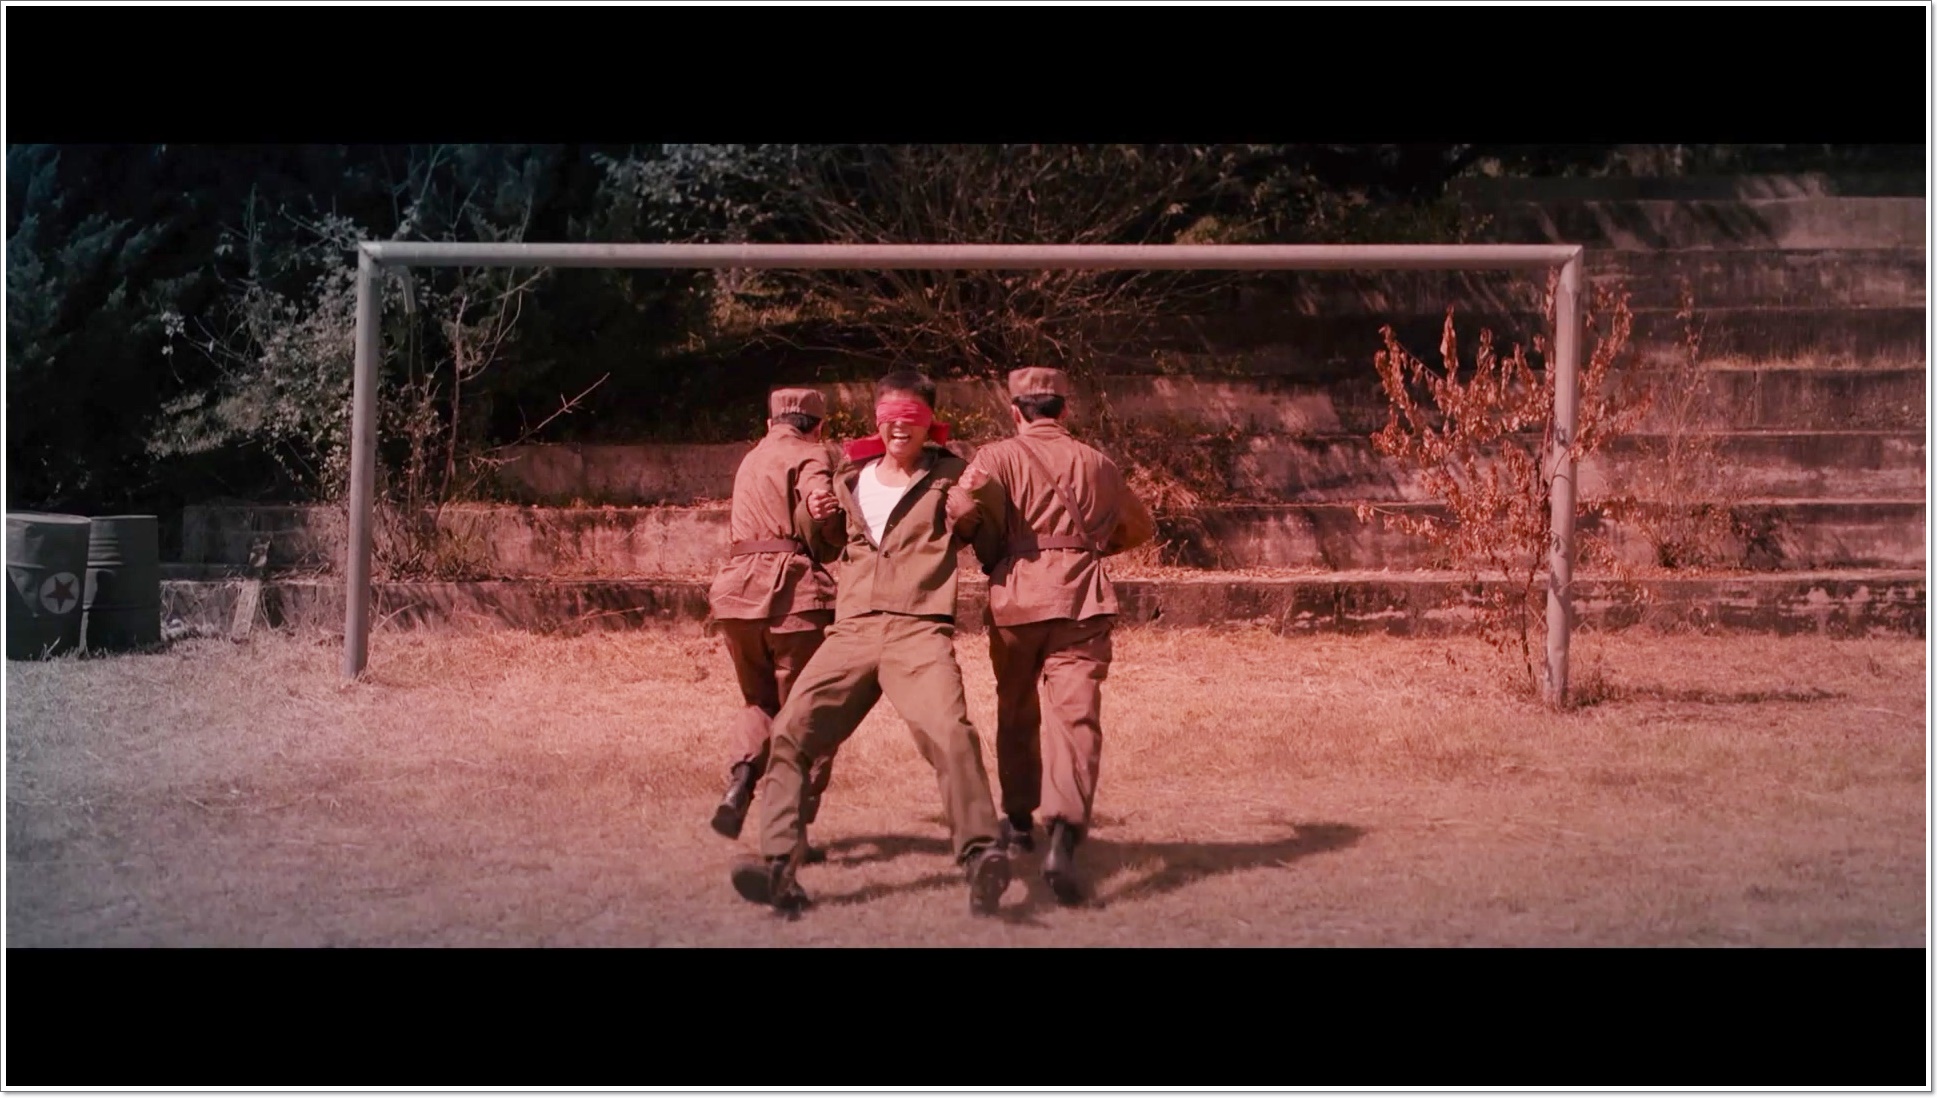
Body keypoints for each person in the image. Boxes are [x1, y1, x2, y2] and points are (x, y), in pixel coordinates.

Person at [730, 369, 1013, 917]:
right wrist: (813, 515)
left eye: (911, 417)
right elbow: (825, 544)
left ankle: (982, 855)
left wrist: (974, 504)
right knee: (790, 732)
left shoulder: (953, 475)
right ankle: (778, 866)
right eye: (888, 416)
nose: (898, 427)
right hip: (853, 628)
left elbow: (990, 539)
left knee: (950, 733)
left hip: (919, 627)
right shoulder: (851, 476)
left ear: (930, 421)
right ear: (876, 420)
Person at [964, 367, 1155, 904]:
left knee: (1016, 710)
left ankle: (1018, 821)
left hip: (1016, 601)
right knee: (1075, 718)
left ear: (1015, 411)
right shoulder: (1099, 464)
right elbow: (1139, 527)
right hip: (1081, 600)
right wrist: (1086, 547)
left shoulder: (994, 457)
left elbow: (963, 513)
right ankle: (1065, 839)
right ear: (1064, 409)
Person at [705, 388, 846, 863]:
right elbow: (818, 497)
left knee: (759, 702)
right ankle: (790, 834)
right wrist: (826, 508)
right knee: (807, 715)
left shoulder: (750, 459)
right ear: (818, 427)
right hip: (793, 598)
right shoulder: (812, 454)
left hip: (736, 597)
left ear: (770, 424)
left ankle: (741, 781)